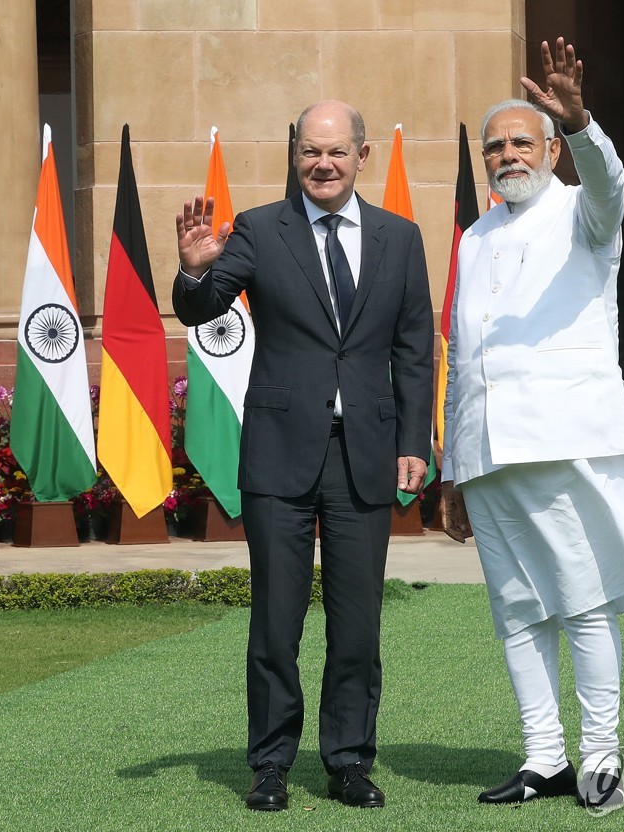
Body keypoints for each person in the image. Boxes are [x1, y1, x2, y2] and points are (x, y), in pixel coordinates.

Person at [441, 38, 624, 810]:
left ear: (549, 149)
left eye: (523, 141)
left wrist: (583, 125)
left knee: (583, 603)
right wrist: (453, 469)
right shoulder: (474, 239)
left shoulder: (583, 213)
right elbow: (463, 356)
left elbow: (611, 183)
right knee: (516, 612)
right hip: (487, 453)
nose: (508, 154)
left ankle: (601, 757)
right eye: (495, 146)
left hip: (564, 439)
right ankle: (543, 757)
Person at [173, 100, 434, 812]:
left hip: (365, 457)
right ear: (294, 155)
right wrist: (196, 274)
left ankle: (348, 760)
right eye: (310, 153)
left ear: (362, 155)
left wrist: (416, 440)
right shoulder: (260, 229)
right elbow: (204, 308)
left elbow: (415, 349)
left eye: (337, 153)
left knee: (357, 624)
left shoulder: (400, 237)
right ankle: (270, 766)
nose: (323, 165)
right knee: (276, 622)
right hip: (281, 456)